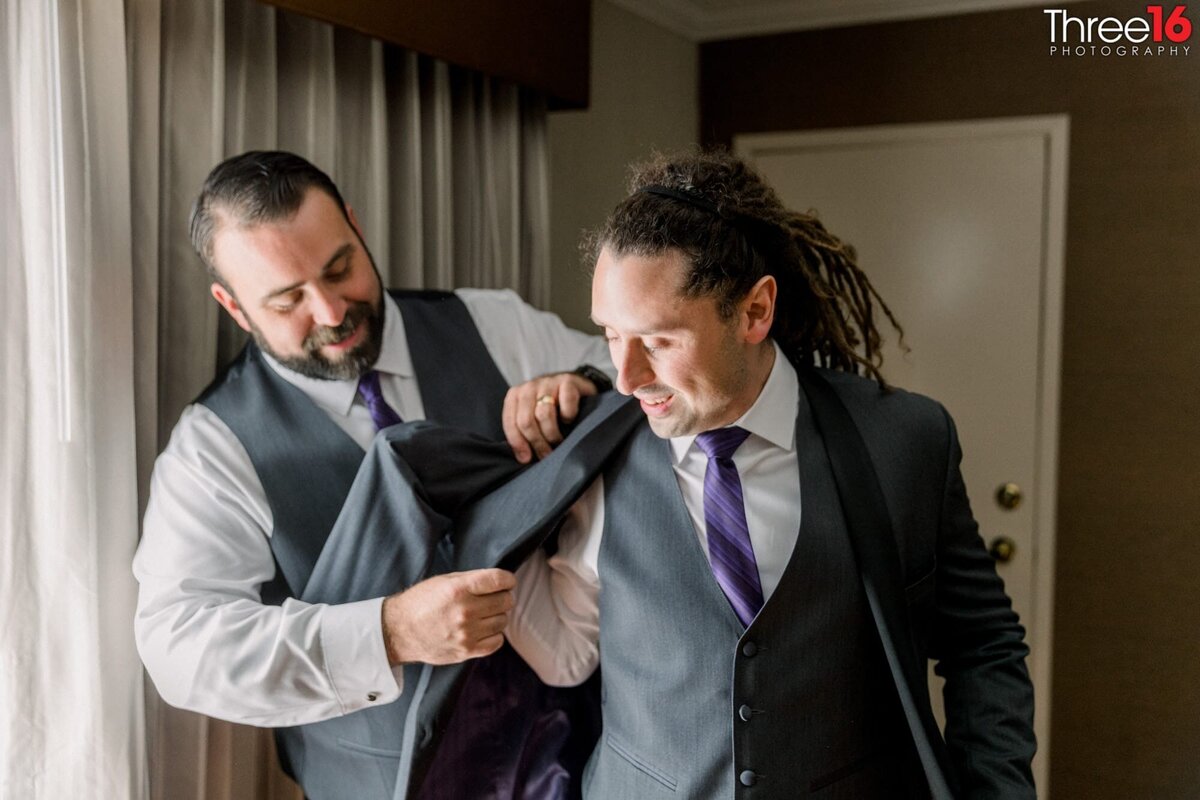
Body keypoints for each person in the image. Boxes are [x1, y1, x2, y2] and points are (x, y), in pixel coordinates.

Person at [505, 150, 1037, 799]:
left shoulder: (906, 443)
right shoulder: (592, 444)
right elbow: (562, 651)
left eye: (661, 340)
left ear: (755, 312)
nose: (627, 375)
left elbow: (984, 646)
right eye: (611, 334)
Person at [132, 151, 613, 797]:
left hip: (573, 758)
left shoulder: (491, 322)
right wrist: (387, 634)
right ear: (234, 306)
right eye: (287, 300)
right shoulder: (214, 447)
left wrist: (583, 382)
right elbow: (180, 648)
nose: (332, 312)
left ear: (356, 228)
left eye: (340, 269)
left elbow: (628, 379)